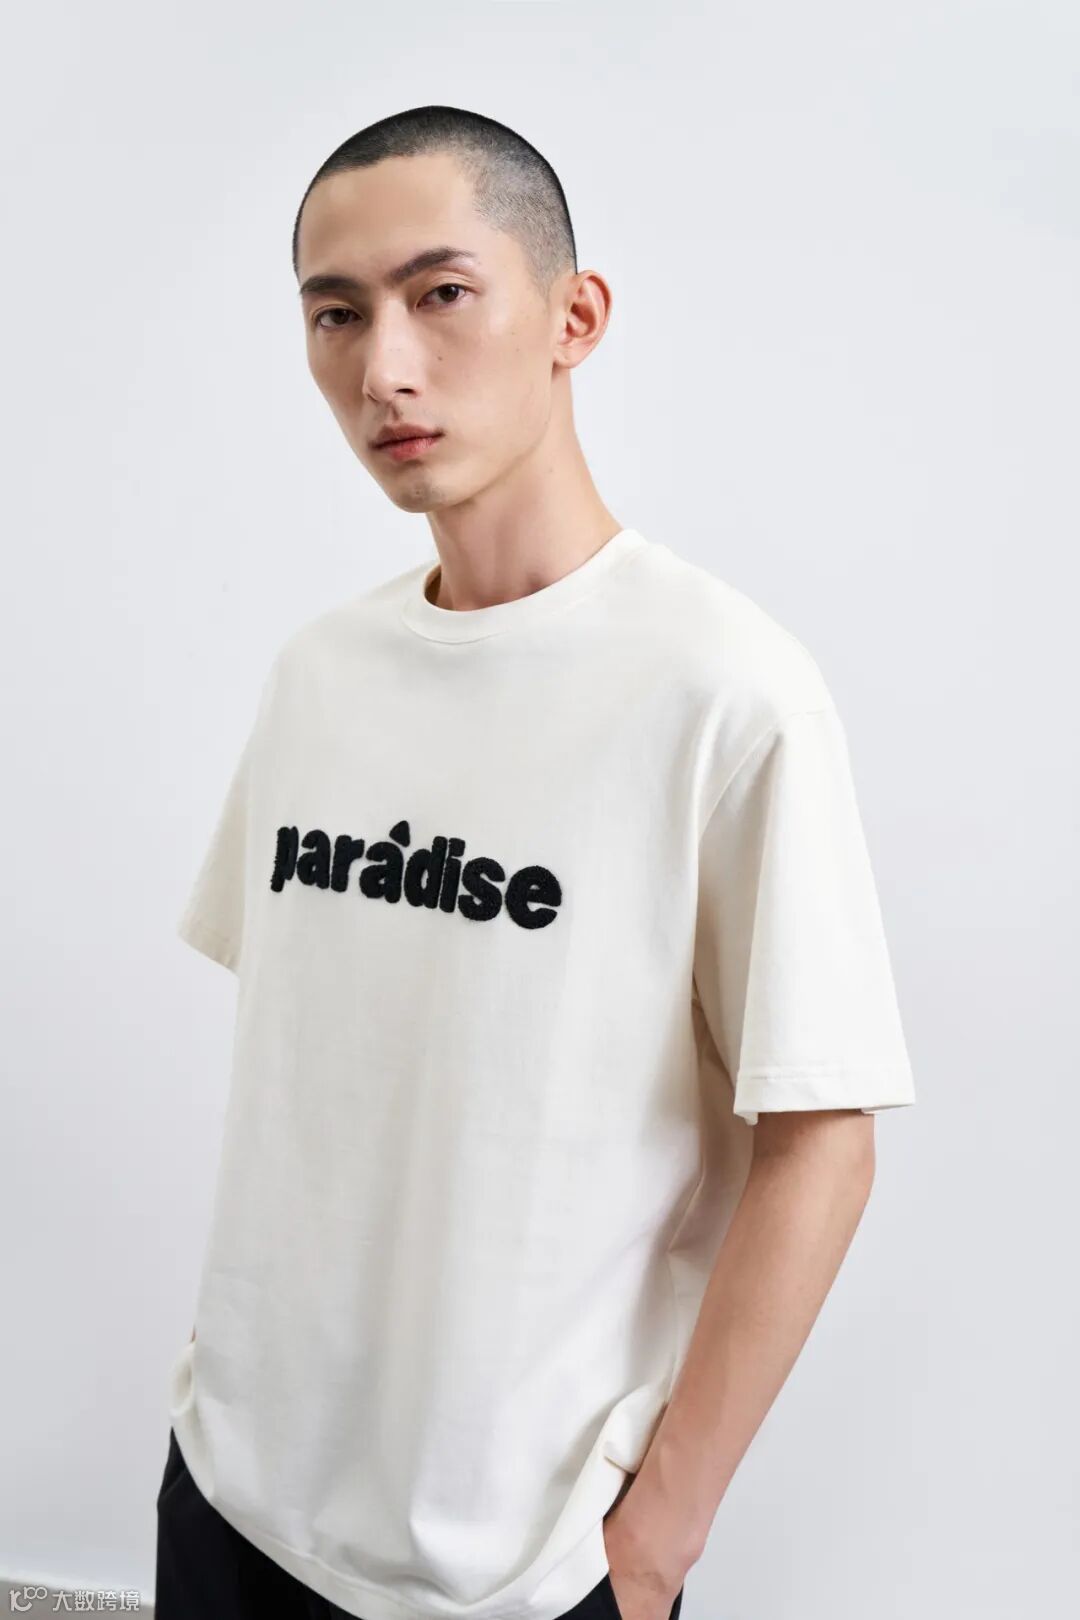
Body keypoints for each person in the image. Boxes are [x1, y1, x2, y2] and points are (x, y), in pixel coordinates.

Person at [155, 104, 916, 1620]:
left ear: (574, 318)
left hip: (516, 1562)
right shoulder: (322, 672)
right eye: (335, 314)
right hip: (235, 1488)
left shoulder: (724, 691)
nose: (384, 367)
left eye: (441, 293)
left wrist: (660, 1536)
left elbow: (822, 1139)